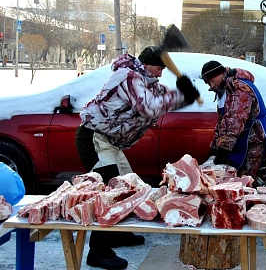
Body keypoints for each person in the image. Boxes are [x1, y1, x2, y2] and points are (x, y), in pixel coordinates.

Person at [75, 46, 200, 269]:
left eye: (163, 69)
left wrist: (183, 93)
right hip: (94, 137)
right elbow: (148, 106)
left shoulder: (145, 80)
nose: (162, 73)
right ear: (147, 64)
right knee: (111, 192)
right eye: (159, 68)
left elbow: (160, 97)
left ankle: (117, 234)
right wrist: (181, 96)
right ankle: (98, 252)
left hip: (109, 141)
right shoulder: (127, 76)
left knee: (128, 185)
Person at [201, 60, 266, 182]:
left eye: (212, 81)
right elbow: (222, 123)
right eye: (208, 83)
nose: (211, 86)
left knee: (245, 180)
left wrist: (223, 151)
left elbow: (234, 122)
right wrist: (214, 147)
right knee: (236, 180)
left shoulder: (238, 89)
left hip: (254, 138)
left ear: (219, 74)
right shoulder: (224, 89)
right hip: (243, 138)